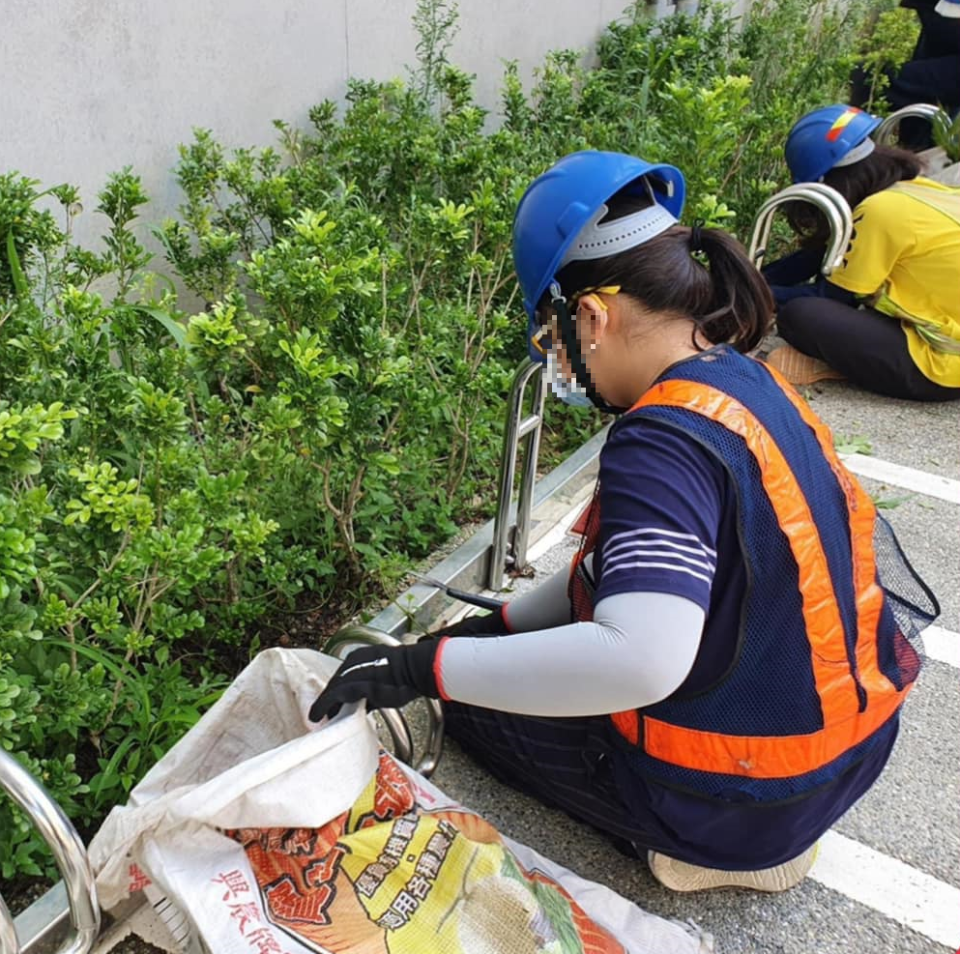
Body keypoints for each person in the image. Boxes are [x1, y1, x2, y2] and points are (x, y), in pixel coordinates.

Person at [309, 151, 938, 892]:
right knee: (486, 667)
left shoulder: (659, 440)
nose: (564, 365)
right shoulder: (741, 379)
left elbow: (639, 658)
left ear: (593, 316)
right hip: (844, 754)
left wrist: (426, 669)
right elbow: (614, 573)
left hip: (741, 802)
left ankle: (696, 851)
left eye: (555, 341)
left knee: (471, 708)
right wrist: (504, 623)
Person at [763, 104, 960, 399]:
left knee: (800, 315)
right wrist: (756, 275)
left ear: (825, 186)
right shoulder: (916, 189)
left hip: (942, 364)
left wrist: (754, 292)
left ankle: (844, 364)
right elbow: (828, 254)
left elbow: (830, 297)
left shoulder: (879, 212)